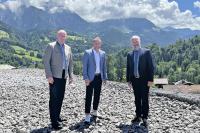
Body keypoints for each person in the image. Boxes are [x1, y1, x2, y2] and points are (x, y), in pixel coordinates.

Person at [43, 30, 73, 130]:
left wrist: (71, 76)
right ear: (57, 36)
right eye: (61, 36)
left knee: (60, 98)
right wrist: (49, 76)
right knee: (53, 99)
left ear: (66, 37)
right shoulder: (51, 46)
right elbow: (46, 62)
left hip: (63, 76)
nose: (62, 37)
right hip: (54, 77)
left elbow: (70, 63)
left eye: (64, 36)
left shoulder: (68, 48)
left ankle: (57, 116)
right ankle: (54, 122)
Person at [126, 35, 155, 127]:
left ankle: (145, 118)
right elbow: (128, 68)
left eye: (136, 41)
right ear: (131, 43)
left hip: (144, 80)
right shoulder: (129, 54)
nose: (135, 43)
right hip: (134, 80)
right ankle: (138, 115)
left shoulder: (146, 52)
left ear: (139, 42)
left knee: (145, 99)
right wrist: (128, 80)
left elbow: (151, 67)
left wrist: (151, 80)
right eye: (133, 41)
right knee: (137, 99)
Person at [82, 37, 107, 124]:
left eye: (99, 43)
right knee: (88, 96)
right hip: (90, 78)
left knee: (97, 95)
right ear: (93, 44)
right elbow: (84, 67)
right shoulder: (87, 52)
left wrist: (104, 78)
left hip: (99, 77)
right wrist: (86, 78)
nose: (97, 45)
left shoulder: (103, 53)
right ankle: (87, 115)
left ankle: (95, 111)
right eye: (96, 43)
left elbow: (104, 67)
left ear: (100, 44)